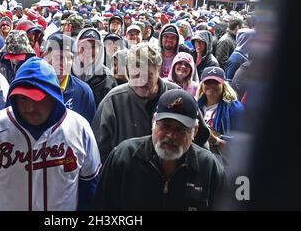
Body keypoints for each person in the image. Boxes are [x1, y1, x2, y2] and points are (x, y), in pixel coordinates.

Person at [0, 57, 101, 211]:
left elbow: (89, 189)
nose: (29, 107)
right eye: (22, 98)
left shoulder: (79, 127)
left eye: (38, 99)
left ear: (53, 96)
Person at [93, 89, 227, 210]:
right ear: (153, 122)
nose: (171, 135)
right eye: (165, 126)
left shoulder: (209, 168)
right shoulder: (123, 158)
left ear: (195, 131)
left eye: (180, 129)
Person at [92, 42, 180, 164]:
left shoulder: (177, 96)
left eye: (148, 76)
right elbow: (98, 150)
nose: (141, 82)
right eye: (135, 76)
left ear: (158, 70)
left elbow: (199, 141)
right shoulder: (113, 101)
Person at [43, 34, 96, 124]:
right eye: (59, 57)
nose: (64, 63)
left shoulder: (83, 91)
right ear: (46, 57)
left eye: (69, 58)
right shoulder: (33, 86)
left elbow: (89, 129)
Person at [197, 67, 244, 165]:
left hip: (222, 164)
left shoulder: (235, 109)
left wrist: (215, 140)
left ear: (223, 84)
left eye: (215, 82)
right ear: (202, 85)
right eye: (207, 82)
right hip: (198, 159)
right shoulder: (196, 106)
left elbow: (240, 145)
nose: (211, 86)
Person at [72, 28, 118, 107]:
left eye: (93, 46)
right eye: (84, 45)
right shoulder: (67, 73)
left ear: (100, 50)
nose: (88, 50)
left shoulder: (108, 80)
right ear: (76, 47)